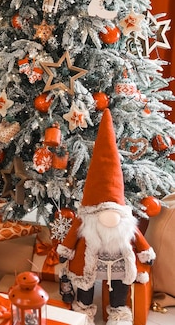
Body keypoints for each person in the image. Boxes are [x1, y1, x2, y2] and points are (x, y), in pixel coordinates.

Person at [57, 109, 155, 325]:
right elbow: (72, 235)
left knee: (121, 286)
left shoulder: (125, 221)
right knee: (85, 284)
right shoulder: (85, 219)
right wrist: (65, 251)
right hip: (88, 263)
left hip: (120, 262)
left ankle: (119, 313)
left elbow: (138, 238)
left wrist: (146, 252)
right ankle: (83, 310)